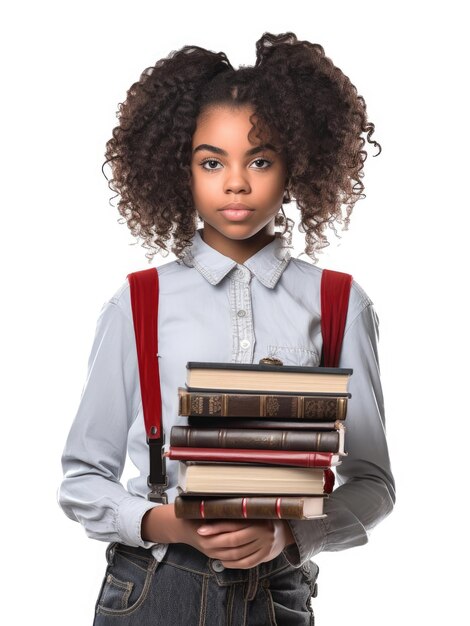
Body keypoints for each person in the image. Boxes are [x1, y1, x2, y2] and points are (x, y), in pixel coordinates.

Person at [58, 32, 395, 625]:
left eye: (259, 160)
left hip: (276, 594)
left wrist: (292, 537)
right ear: (180, 169)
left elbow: (372, 482)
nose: (235, 183)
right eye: (211, 162)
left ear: (297, 165)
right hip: (152, 586)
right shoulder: (140, 301)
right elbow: (84, 477)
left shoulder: (338, 302)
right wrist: (165, 522)